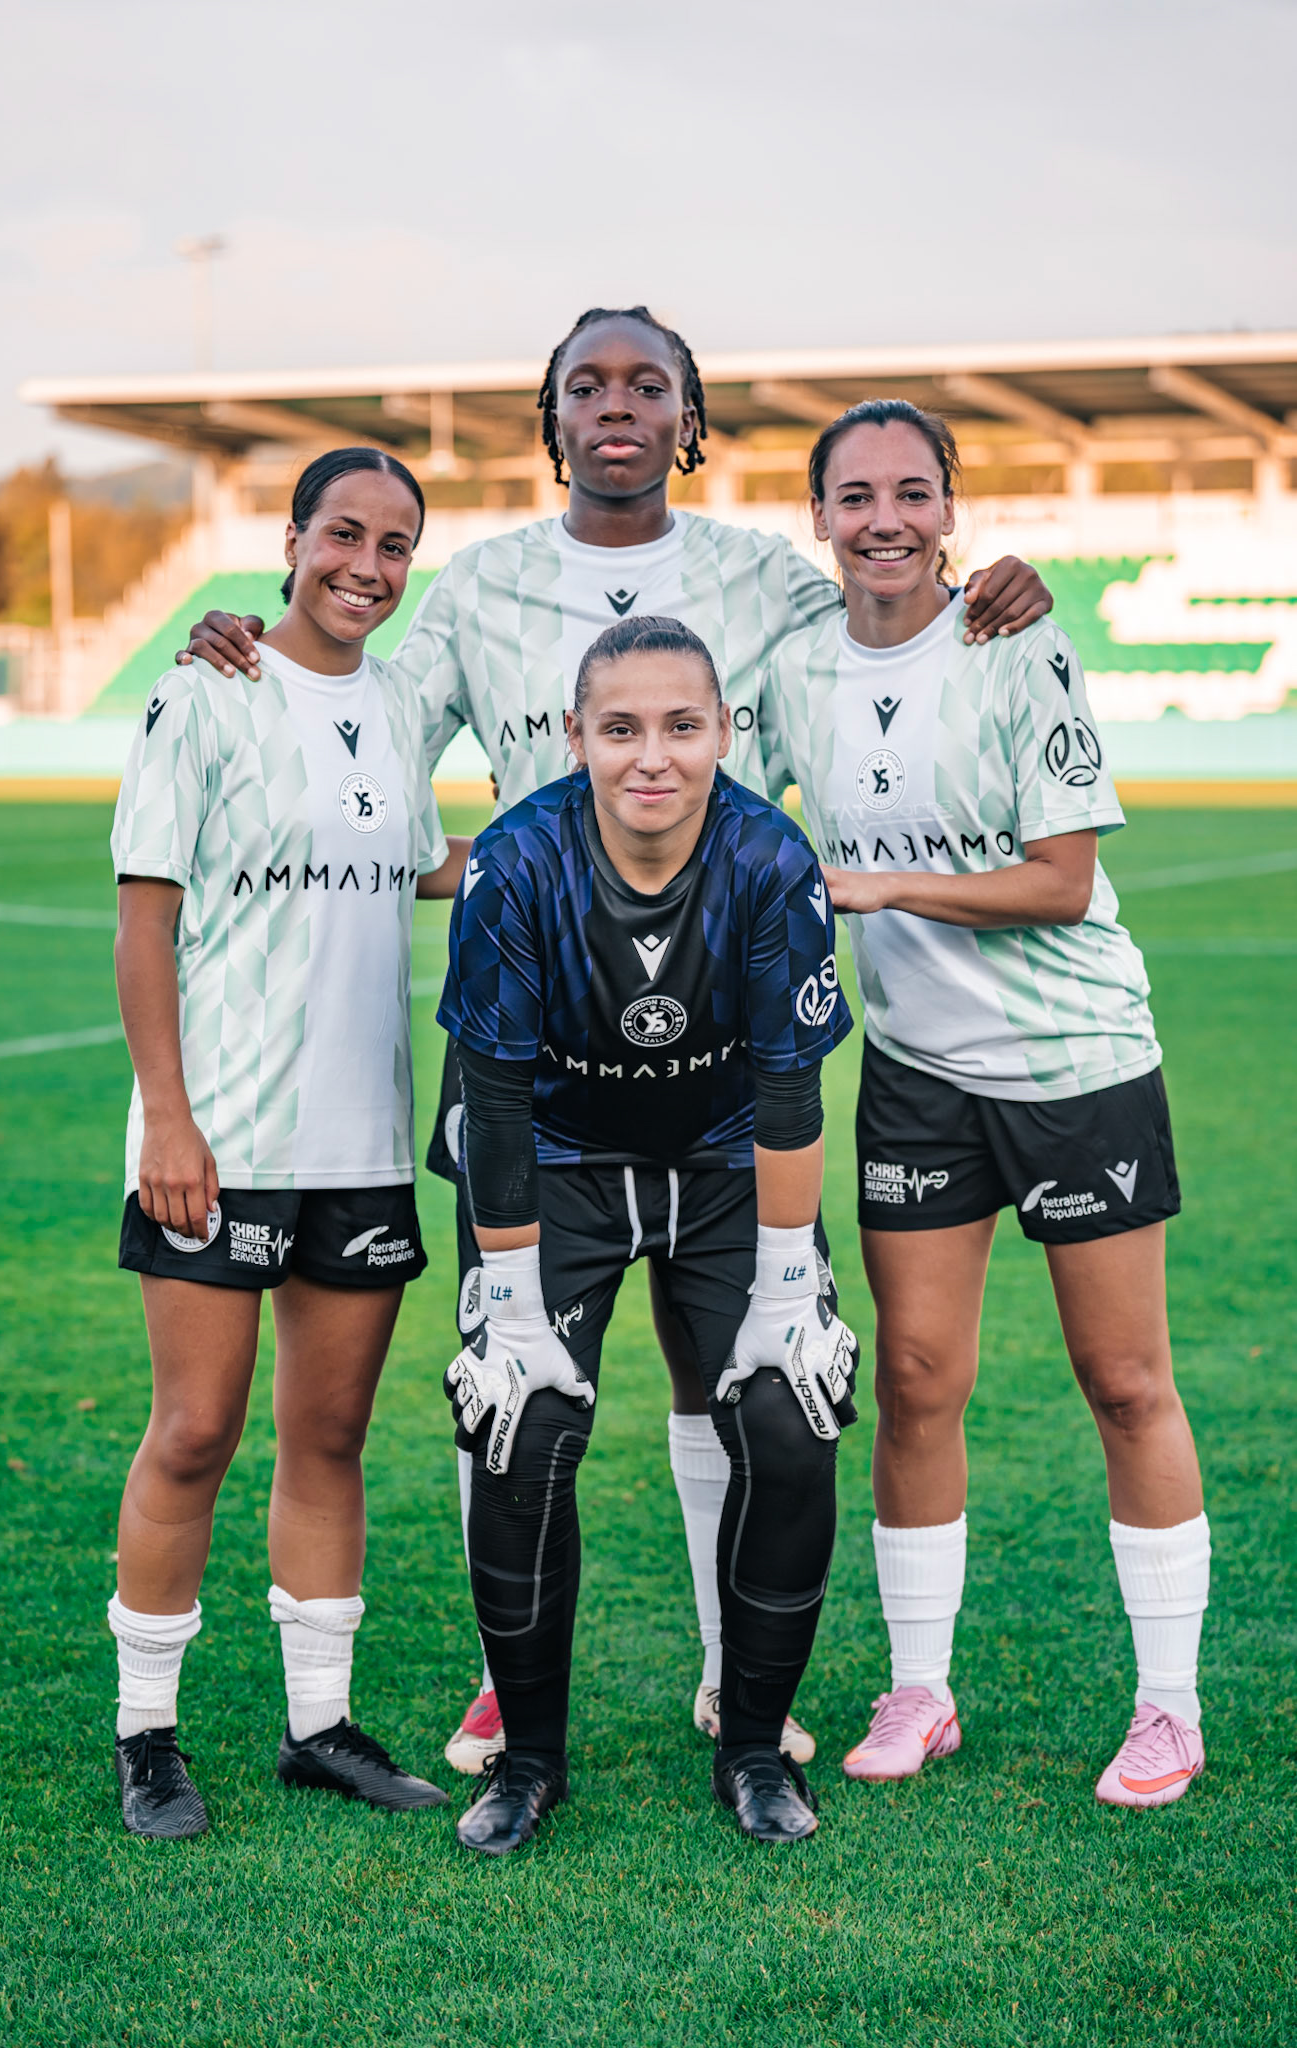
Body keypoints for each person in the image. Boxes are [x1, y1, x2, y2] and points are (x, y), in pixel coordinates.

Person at [178, 305, 1053, 1774]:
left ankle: (727, 1670)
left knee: (729, 1373)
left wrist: (986, 587)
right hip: (535, 1036)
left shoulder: (760, 574)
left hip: (718, 1032)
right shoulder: (483, 584)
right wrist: (253, 647)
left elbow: (883, 610)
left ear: (689, 417)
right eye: (587, 385)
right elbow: (369, 716)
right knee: (511, 1373)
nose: (619, 406)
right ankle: (501, 1683)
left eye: (651, 384)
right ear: (554, 418)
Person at [761, 399, 1209, 1808]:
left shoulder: (1019, 646)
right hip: (917, 1076)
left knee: (1125, 1381)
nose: (883, 519)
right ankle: (920, 1688)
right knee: (913, 1380)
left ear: (949, 510)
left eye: (911, 492)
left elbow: (1063, 881)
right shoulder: (792, 669)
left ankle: (1169, 1707)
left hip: (1077, 1062)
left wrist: (880, 885)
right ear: (819, 518)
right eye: (855, 496)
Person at [436, 614, 859, 1853]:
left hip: (726, 1156)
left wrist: (788, 1287)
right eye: (620, 728)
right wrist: (512, 1309)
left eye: (682, 725)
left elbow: (789, 1091)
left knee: (791, 1412)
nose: (652, 755)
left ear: (726, 730)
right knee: (520, 1423)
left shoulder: (770, 857)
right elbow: (493, 1101)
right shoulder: (517, 859)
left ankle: (753, 1745)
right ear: (575, 737)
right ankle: (528, 1759)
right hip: (553, 1158)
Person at [108, 447, 470, 1838]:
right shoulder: (206, 690)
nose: (366, 566)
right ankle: (148, 1736)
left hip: (361, 1140)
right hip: (222, 1133)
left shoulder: (400, 706)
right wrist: (169, 1115)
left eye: (394, 544)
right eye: (343, 534)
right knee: (195, 1429)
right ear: (294, 538)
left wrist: (587, 830)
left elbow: (421, 861)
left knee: (328, 1433)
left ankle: (319, 1726)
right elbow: (146, 920)